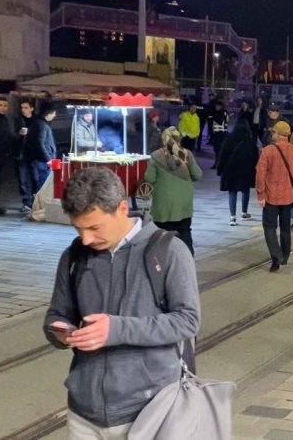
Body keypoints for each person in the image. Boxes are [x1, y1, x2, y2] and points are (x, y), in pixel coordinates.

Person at [43, 167, 199, 438]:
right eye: (78, 228)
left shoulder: (169, 251)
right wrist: (59, 330)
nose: (86, 238)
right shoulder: (75, 256)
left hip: (150, 409)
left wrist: (115, 329)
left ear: (122, 209)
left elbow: (187, 320)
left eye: (94, 227)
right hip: (84, 410)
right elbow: (58, 312)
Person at [255, 121, 293, 271]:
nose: (272, 135)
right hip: (287, 197)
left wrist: (260, 193)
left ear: (278, 134)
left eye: (273, 133)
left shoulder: (268, 151)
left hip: (271, 197)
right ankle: (284, 256)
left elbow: (260, 174)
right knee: (285, 228)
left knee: (270, 227)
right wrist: (292, 184)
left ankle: (276, 257)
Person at [144, 127, 202, 254]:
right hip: (183, 206)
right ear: (179, 139)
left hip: (162, 206)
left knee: (161, 236)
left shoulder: (156, 156)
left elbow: (149, 177)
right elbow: (198, 175)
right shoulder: (186, 154)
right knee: (185, 233)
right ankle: (187, 261)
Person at [217, 120, 259, 226]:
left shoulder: (229, 139)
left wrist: (219, 169)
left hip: (230, 170)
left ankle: (232, 217)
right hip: (246, 171)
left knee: (232, 192)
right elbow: (256, 157)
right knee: (245, 191)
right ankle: (244, 213)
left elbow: (222, 155)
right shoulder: (250, 141)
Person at [26, 102, 57, 196]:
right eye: (54, 113)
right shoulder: (42, 125)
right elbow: (40, 143)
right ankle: (39, 206)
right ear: (50, 113)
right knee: (43, 185)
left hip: (41, 160)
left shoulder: (39, 123)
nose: (55, 115)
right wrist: (49, 159)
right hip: (42, 162)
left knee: (41, 184)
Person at [14, 100, 36, 213]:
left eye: (26, 107)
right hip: (21, 153)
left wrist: (30, 132)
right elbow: (12, 136)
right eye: (22, 107)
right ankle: (26, 201)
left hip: (33, 153)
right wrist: (19, 134)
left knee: (34, 178)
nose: (23, 110)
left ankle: (34, 200)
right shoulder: (18, 120)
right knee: (22, 179)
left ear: (31, 109)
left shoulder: (36, 120)